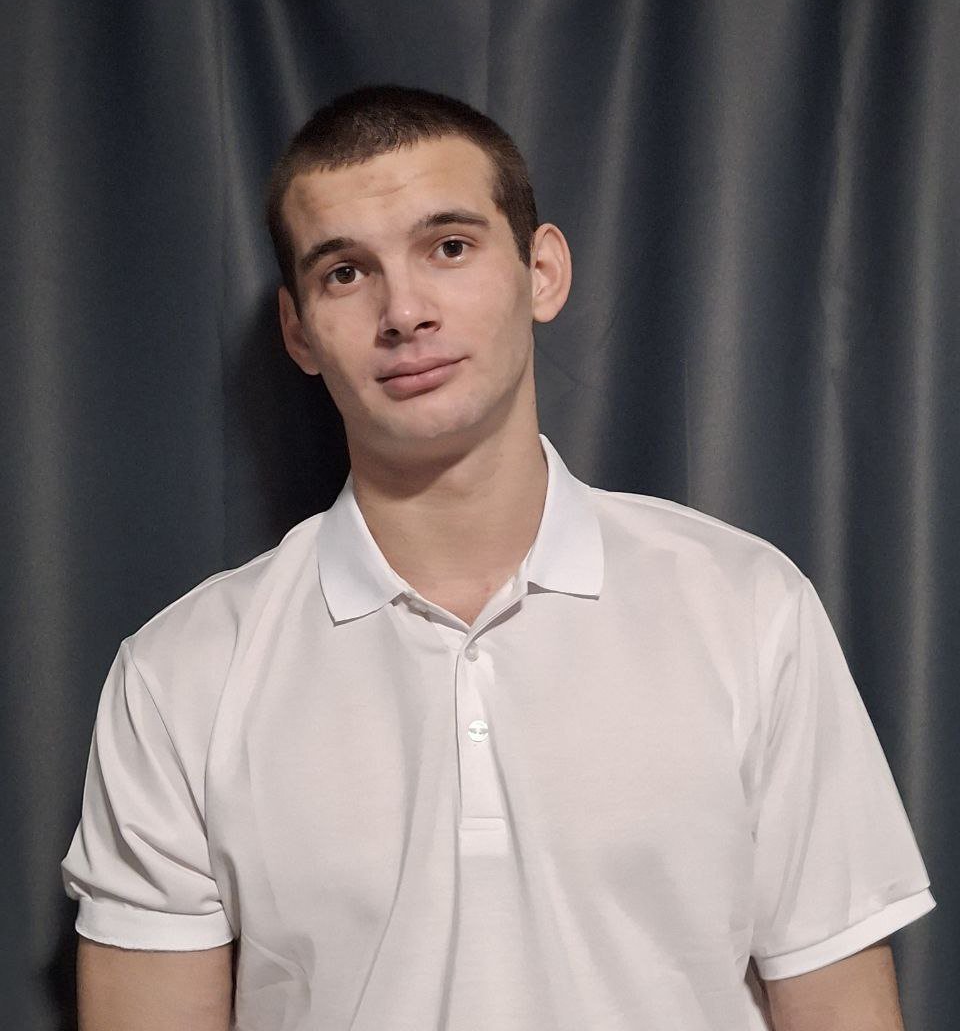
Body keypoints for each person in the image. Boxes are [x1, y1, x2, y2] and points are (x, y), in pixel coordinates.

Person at [62, 85, 934, 1031]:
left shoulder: (748, 605)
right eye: (346, 273)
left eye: (449, 247)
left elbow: (840, 1005)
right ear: (299, 331)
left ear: (542, 271)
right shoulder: (180, 674)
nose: (404, 311)